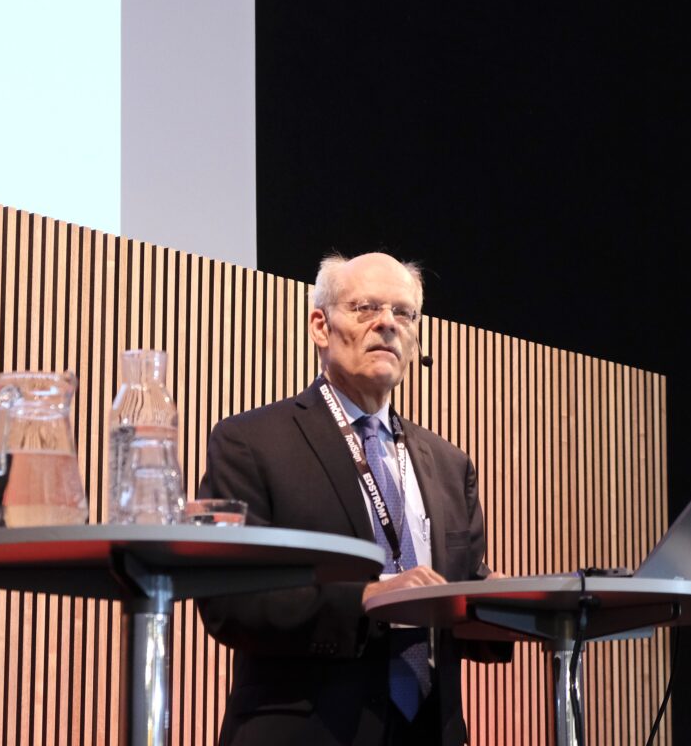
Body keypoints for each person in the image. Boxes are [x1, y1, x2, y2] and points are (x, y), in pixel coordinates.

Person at [197, 252, 510, 746]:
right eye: (366, 308)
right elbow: (230, 599)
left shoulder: (451, 465)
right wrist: (368, 598)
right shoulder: (250, 443)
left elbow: (463, 595)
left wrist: (515, 607)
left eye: (403, 313)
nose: (387, 323)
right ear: (320, 326)